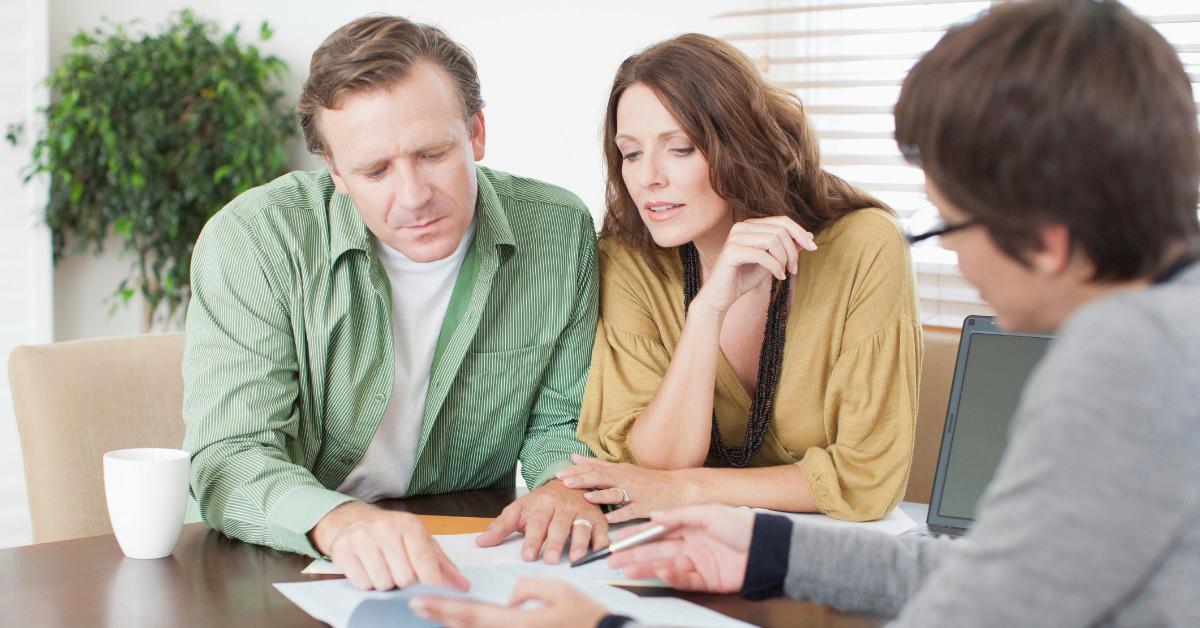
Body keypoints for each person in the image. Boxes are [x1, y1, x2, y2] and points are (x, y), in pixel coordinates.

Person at [408, 0, 1200, 625]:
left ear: (1048, 237)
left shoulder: (1125, 361)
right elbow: (1005, 574)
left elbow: (981, 608)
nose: (953, 260)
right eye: (631, 151)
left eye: (950, 222)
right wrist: (771, 553)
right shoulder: (1169, 328)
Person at [182, 15, 607, 592]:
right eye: (375, 170)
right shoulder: (256, 242)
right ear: (334, 171)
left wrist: (561, 489)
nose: (413, 197)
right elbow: (229, 459)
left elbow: (560, 424)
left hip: (467, 558)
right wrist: (338, 521)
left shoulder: (557, 231)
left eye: (433, 154)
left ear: (476, 132)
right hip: (279, 561)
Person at [558, 33, 921, 524]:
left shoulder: (863, 246)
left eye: (680, 148)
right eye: (631, 153)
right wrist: (707, 312)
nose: (648, 178)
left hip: (828, 548)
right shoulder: (630, 258)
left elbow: (867, 477)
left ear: (740, 145)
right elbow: (645, 468)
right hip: (677, 545)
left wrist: (690, 489)